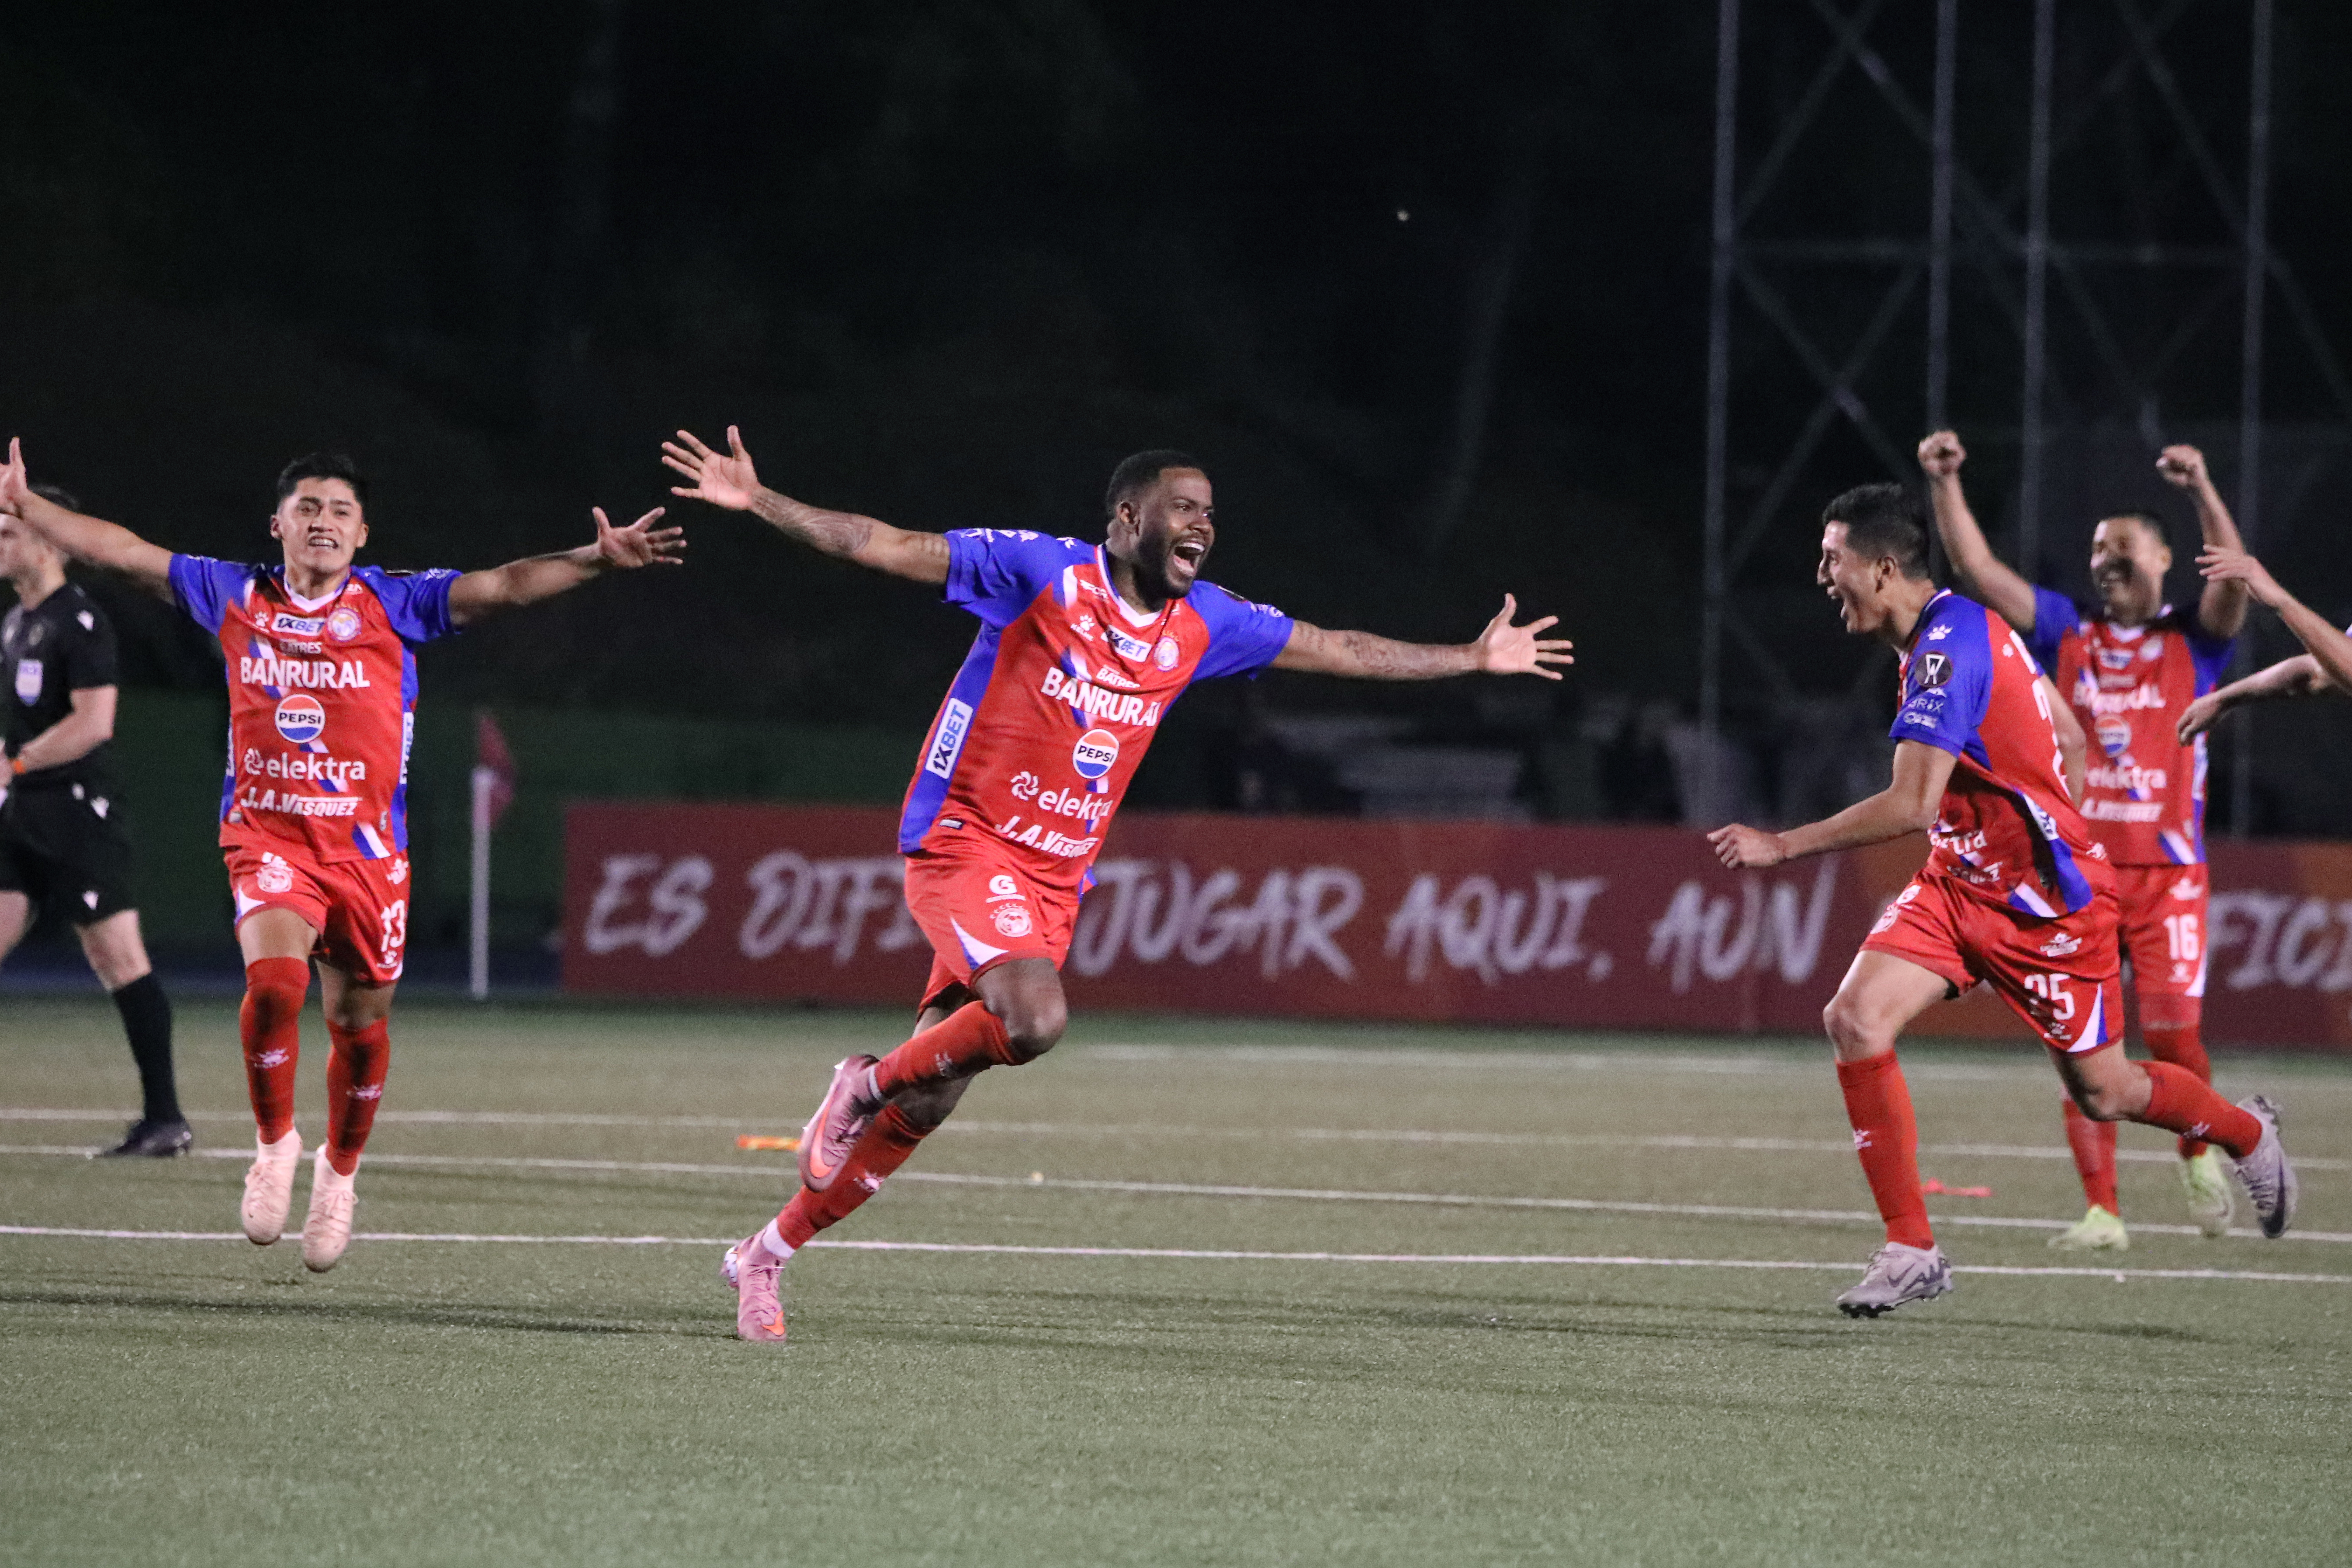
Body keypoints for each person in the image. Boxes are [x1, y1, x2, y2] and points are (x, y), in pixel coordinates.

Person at [662, 429, 1573, 1343]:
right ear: (1128, 517)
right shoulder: (1039, 573)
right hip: (964, 841)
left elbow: (1335, 646)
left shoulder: (1203, 624)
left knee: (933, 1093)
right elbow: (884, 542)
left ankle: (764, 1257)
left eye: (1211, 511)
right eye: (1185, 507)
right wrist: (763, 500)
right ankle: (857, 1084)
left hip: (1055, 882)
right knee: (1034, 1018)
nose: (1204, 524)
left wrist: (1468, 656)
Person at [0, 439, 683, 1271]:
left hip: (367, 857)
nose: (323, 522)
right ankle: (275, 1143)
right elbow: (126, 549)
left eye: (340, 512)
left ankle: (340, 1171)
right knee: (276, 984)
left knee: (360, 1029)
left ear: (362, 534)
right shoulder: (235, 591)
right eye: (308, 508)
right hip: (269, 838)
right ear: (279, 523)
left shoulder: (395, 602)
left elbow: (502, 585)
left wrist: (595, 560)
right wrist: (31, 510)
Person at [1709, 483, 2294, 1318]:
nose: (1821, 574)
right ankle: (1912, 1247)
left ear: (1881, 570)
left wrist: (1784, 843)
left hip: (2045, 910)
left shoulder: (1947, 650)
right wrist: (2046, 808)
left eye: (1832, 560)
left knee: (2109, 1091)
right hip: (1960, 882)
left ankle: (2245, 1133)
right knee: (1855, 1017)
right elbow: (2068, 731)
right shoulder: (1961, 626)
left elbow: (1911, 804)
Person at [1919, 430, 2247, 1249]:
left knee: (2173, 1037)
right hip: (2078, 873)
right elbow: (1981, 575)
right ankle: (2103, 1209)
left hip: (2170, 876)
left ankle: (2196, 1147)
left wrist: (2204, 487)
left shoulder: (2196, 643)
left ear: (2166, 559)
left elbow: (2234, 580)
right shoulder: (2068, 633)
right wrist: (1944, 482)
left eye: (2124, 547)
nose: (2106, 559)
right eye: (2098, 547)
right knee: (2081, 1039)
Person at [1, 484, 187, 1157]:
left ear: (50, 540)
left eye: (9, 532)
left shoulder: (78, 620)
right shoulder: (16, 622)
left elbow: (93, 724)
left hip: (79, 811)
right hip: (25, 811)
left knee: (118, 956)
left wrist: (17, 764)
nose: (0, 543)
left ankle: (165, 1117)